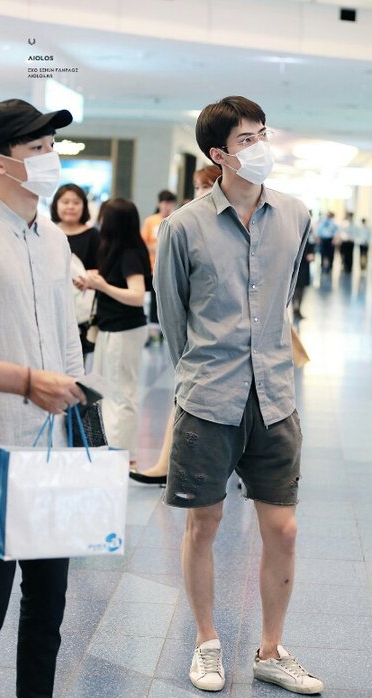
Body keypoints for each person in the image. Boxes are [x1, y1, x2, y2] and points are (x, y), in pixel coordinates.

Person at [154, 95, 324, 695]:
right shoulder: (183, 227)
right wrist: (199, 374)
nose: (259, 147)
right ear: (218, 154)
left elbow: (285, 297)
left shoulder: (297, 215)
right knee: (205, 523)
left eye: (262, 134)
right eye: (246, 139)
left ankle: (271, 650)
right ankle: (206, 642)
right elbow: (172, 317)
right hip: (209, 397)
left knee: (284, 528)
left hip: (275, 396)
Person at [0, 98, 84, 698]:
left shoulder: (54, 241)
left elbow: (68, 342)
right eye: (37, 148)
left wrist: (85, 433)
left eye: (53, 147)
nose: (51, 159)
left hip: (54, 446)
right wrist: (26, 382)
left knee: (49, 594)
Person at [130, 165, 222, 485]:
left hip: (227, 335)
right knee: (184, 396)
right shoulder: (184, 223)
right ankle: (167, 464)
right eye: (197, 187)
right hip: (198, 333)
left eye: (206, 185)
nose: (200, 193)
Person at [73, 198, 150, 470]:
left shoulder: (130, 253)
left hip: (124, 329)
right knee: (107, 389)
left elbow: (137, 295)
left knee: (121, 392)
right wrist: (93, 282)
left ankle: (123, 456)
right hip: (109, 327)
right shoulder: (114, 250)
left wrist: (102, 286)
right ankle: (112, 450)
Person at [50, 183, 100, 357]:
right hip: (51, 304)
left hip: (81, 309)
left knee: (76, 360)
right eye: (65, 202)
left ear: (84, 206)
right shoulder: (48, 232)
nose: (70, 206)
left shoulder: (93, 236)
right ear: (56, 205)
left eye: (76, 202)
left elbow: (99, 270)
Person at [141, 189, 177, 342]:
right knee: (154, 299)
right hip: (153, 266)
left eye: (170, 203)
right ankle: (154, 331)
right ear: (159, 203)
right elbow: (143, 243)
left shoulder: (176, 219)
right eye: (164, 202)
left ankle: (167, 330)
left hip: (170, 267)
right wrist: (155, 248)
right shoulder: (151, 221)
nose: (167, 206)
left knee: (169, 298)